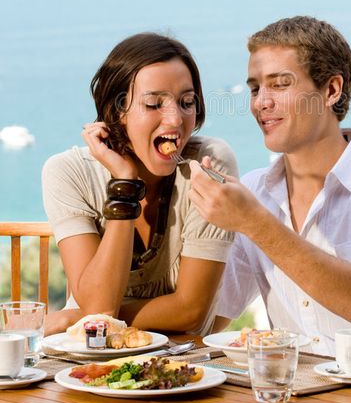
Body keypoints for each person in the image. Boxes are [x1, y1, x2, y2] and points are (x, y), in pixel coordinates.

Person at [189, 16, 351, 378]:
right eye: (254, 89)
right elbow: (207, 321)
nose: (261, 103)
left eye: (280, 84)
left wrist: (255, 223)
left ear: (331, 90)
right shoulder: (253, 192)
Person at [43, 32, 237, 336]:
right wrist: (124, 184)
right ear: (118, 111)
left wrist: (76, 318)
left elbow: (191, 313)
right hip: (88, 357)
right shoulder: (67, 172)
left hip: (184, 366)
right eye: (153, 104)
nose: (175, 119)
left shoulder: (209, 164)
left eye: (187, 102)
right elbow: (99, 304)